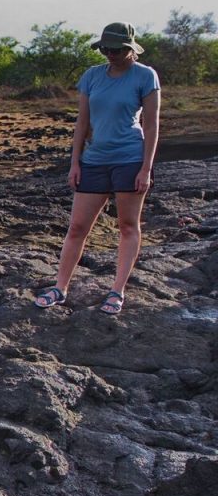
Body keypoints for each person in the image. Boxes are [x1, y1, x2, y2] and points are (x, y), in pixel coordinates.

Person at [33, 22, 160, 315]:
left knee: (127, 226)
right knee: (77, 227)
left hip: (130, 158)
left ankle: (117, 291)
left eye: (116, 50)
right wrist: (74, 163)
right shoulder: (92, 76)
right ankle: (60, 287)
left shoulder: (145, 76)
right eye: (105, 49)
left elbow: (152, 124)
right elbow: (82, 122)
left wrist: (146, 168)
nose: (110, 54)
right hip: (95, 159)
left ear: (130, 49)